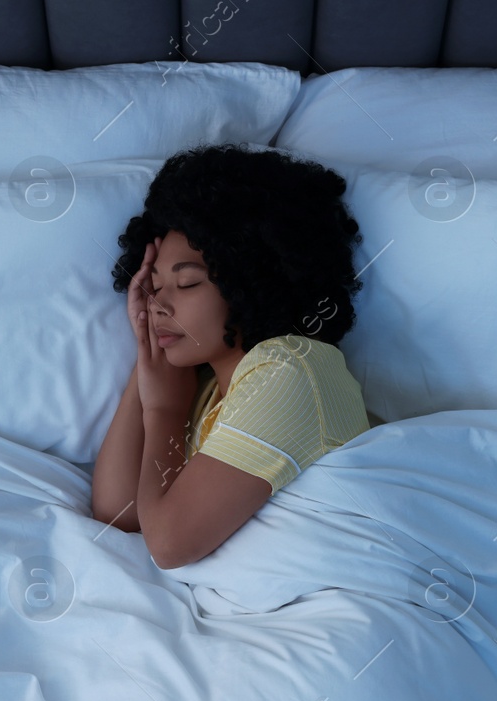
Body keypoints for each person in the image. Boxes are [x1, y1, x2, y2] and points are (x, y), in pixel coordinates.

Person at [91, 144, 370, 569]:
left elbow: (167, 544)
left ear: (253, 284)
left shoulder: (291, 367)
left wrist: (164, 410)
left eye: (186, 284)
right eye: (152, 285)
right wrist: (150, 361)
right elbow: (120, 513)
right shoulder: (206, 392)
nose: (158, 303)